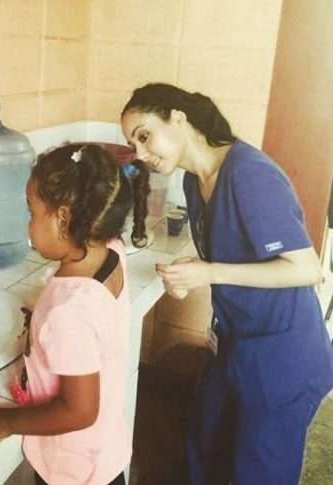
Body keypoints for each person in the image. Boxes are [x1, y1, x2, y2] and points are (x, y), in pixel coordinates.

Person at [120, 83, 333, 485]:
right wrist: (191, 277)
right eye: (134, 145)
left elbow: (307, 270)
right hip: (235, 342)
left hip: (283, 353)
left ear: (178, 118)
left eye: (144, 136)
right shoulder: (193, 182)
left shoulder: (250, 175)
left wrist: (209, 272)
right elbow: (229, 257)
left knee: (260, 470)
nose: (141, 154)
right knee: (205, 447)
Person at [0, 143, 149, 485]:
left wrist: (7, 421)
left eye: (31, 212)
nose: (28, 225)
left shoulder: (68, 310)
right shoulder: (111, 251)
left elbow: (79, 410)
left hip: (73, 471)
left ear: (63, 219)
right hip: (102, 453)